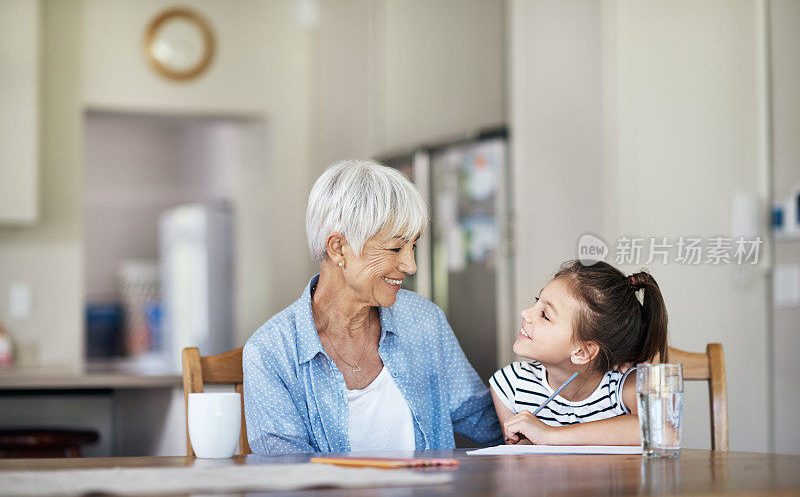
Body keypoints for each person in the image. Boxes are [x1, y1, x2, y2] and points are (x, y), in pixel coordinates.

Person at [243, 160, 501, 453]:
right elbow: (287, 476)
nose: (410, 265)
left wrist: (554, 391)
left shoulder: (423, 321)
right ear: (338, 248)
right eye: (394, 248)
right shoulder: (270, 353)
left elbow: (485, 421)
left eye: (413, 246)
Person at [490, 260, 668, 445]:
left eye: (545, 315)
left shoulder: (625, 384)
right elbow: (522, 458)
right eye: (537, 301)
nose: (525, 313)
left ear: (583, 352)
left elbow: (661, 430)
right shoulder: (511, 384)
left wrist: (549, 435)